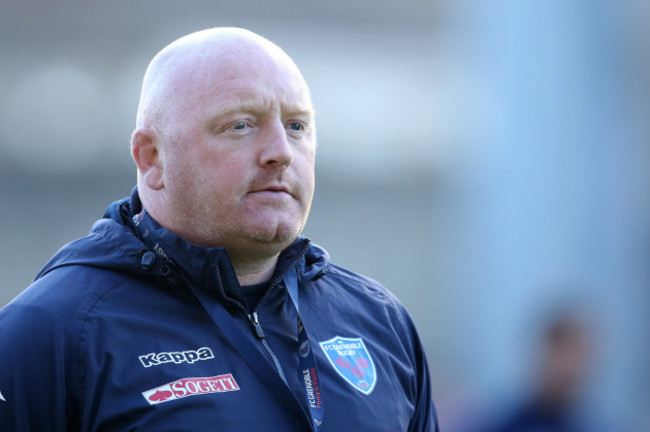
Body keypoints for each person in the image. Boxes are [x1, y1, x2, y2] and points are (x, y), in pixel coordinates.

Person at [0, 27, 438, 431]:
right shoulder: (51, 332)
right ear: (152, 158)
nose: (281, 153)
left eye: (297, 126)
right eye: (240, 125)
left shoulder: (379, 321)